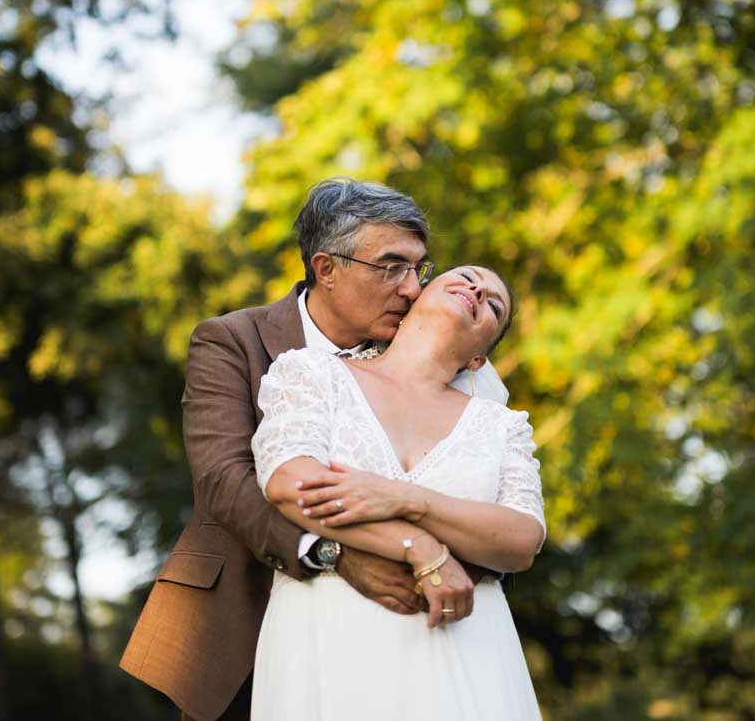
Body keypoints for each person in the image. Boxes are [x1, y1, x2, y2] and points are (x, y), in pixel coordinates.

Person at [119, 178, 509, 721]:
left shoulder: (428, 345)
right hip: (242, 617)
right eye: (390, 267)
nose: (412, 289)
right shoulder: (233, 340)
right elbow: (225, 482)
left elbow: (484, 479)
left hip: (405, 634)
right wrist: (336, 555)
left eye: (419, 270)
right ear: (327, 268)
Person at [249, 264, 544, 720]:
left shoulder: (503, 427)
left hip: (468, 646)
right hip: (327, 633)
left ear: (478, 360)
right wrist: (420, 547)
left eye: (494, 305)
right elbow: (290, 483)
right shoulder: (314, 374)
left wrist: (409, 500)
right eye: (466, 277)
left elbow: (522, 539)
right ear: (413, 300)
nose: (477, 290)